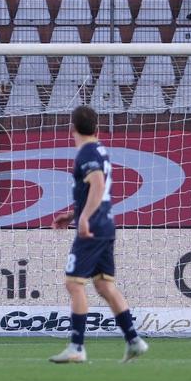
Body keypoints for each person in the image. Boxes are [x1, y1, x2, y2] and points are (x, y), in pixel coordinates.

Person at [49, 105, 149, 364]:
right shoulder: (100, 150)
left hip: (93, 227)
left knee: (73, 283)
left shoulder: (87, 152)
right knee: (104, 285)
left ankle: (77, 347)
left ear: (71, 128)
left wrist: (83, 218)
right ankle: (134, 340)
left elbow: (98, 184)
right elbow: (96, 190)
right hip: (105, 224)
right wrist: (72, 215)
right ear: (97, 128)